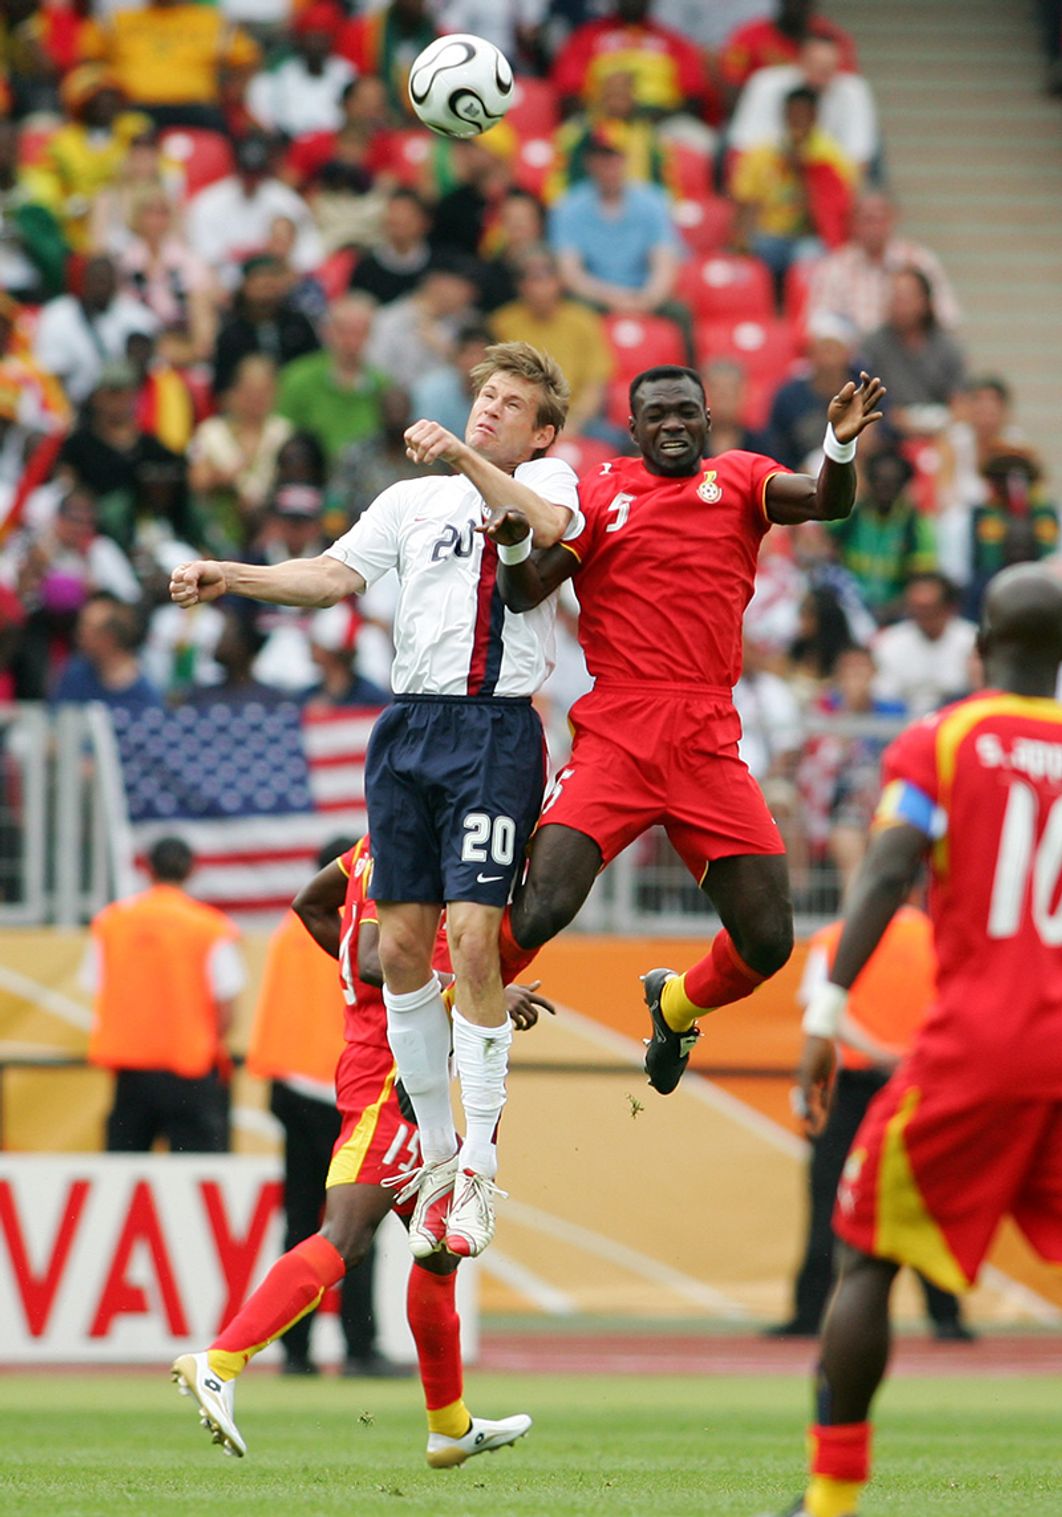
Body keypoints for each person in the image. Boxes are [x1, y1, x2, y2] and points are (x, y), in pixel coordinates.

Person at [169, 341, 581, 1259]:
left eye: (510, 404)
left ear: (541, 430)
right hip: (408, 729)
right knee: (399, 945)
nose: (489, 410)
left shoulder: (548, 477)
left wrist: (468, 458)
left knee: (472, 936)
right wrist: (230, 575)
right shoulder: (410, 499)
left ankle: (477, 1167)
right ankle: (436, 1157)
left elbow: (548, 528)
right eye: (485, 397)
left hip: (493, 725)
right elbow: (331, 576)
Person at [483, 361, 885, 1096]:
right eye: (658, 414)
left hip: (706, 736)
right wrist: (512, 542)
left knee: (768, 940)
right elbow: (522, 589)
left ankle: (676, 1004)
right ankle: (453, 1010)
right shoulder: (602, 492)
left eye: (686, 413)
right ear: (633, 428)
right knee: (542, 906)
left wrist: (839, 445)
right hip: (620, 731)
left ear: (707, 420)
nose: (673, 424)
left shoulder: (739, 480)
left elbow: (827, 500)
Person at [783, 562, 1062, 1517]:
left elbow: (891, 864)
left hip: (984, 1042)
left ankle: (829, 1500)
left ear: (982, 650)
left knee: (865, 1252)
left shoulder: (941, 741)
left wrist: (827, 1011)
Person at [172, 832, 549, 1460]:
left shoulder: (370, 847)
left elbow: (310, 904)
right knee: (344, 1235)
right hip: (389, 1078)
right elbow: (378, 957)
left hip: (383, 1059)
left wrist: (362, 987)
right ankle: (220, 1361)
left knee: (436, 1253)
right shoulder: (416, 849)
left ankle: (449, 1425)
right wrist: (475, 988)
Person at [769, 901, 972, 1341]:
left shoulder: (834, 938)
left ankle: (808, 1314)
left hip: (853, 1087)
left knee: (828, 1200)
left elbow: (822, 1013)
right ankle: (947, 1316)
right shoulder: (938, 937)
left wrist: (876, 1049)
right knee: (923, 1197)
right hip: (920, 1081)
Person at [247, 836, 404, 1378]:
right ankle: (360, 1347)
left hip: (289, 1085)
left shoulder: (288, 935)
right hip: (343, 1083)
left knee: (298, 1220)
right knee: (356, 1226)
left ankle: (294, 1351)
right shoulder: (372, 929)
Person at [84, 835, 243, 1152]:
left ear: (147, 869)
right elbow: (226, 1002)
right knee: (198, 1176)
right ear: (191, 870)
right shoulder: (209, 927)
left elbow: (95, 985)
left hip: (130, 1071)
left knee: (124, 1173)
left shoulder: (111, 922)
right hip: (190, 1069)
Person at [806, 191, 960, 339]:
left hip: (907, 355)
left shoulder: (919, 260)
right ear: (852, 223)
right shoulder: (835, 266)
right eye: (867, 219)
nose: (873, 228)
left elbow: (948, 316)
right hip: (855, 359)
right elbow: (820, 322)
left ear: (893, 219)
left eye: (880, 219)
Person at [278, 295, 391, 465]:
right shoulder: (298, 379)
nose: (351, 342)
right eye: (344, 332)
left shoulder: (383, 385)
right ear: (327, 332)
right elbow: (280, 433)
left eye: (360, 333)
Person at [871, 572, 976, 716]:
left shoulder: (972, 640)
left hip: (958, 721)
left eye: (929, 609)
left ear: (949, 608)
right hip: (902, 726)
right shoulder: (890, 642)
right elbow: (884, 697)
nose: (922, 615)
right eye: (916, 608)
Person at [51, 590, 163, 711]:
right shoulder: (74, 674)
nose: (78, 636)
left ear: (109, 638)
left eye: (87, 630)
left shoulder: (146, 691)